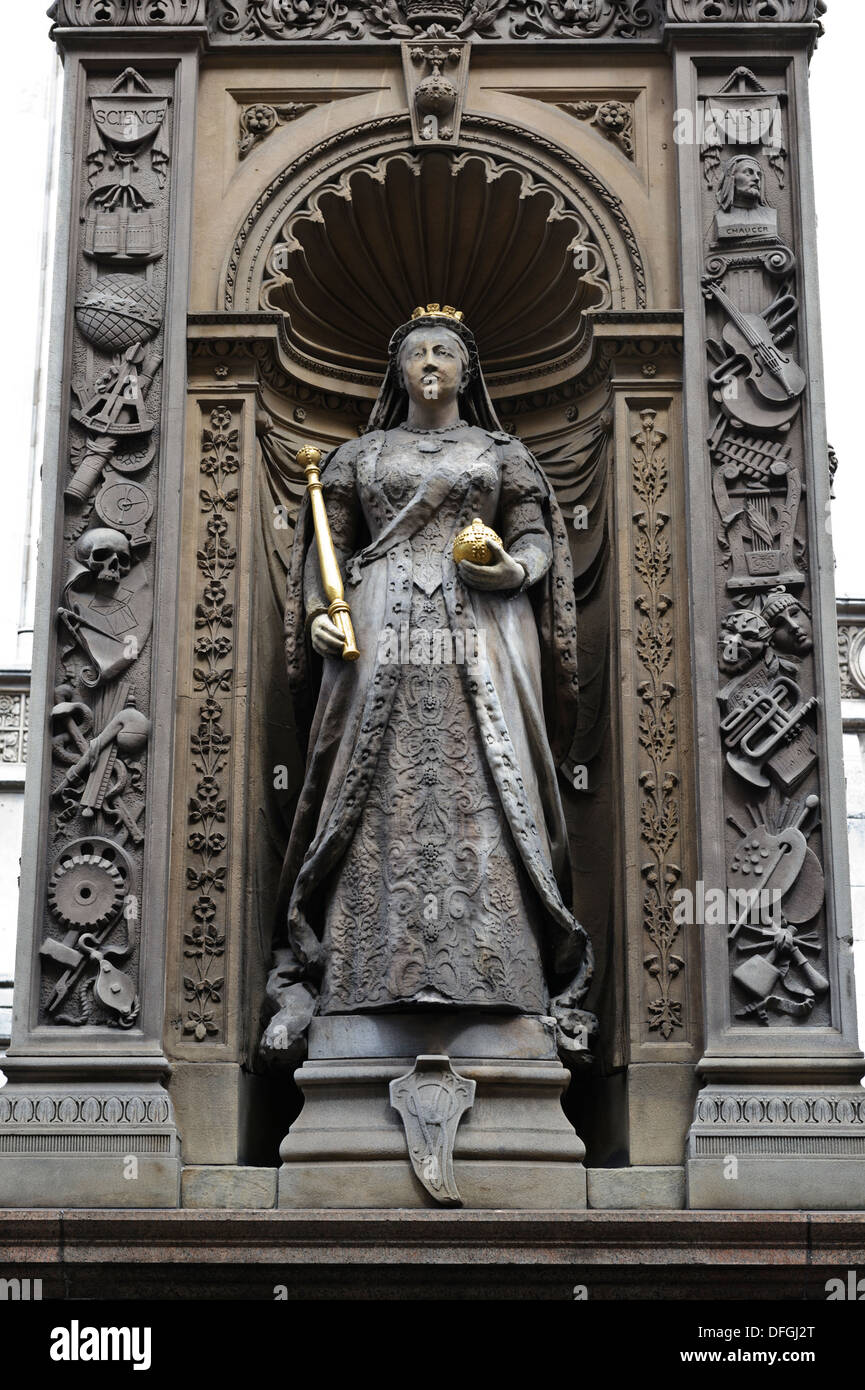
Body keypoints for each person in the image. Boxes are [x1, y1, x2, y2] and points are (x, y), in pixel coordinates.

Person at [260, 305, 593, 1061]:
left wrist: (516, 570)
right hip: (375, 628)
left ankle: (497, 967)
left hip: (480, 624)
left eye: (445, 352)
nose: (432, 363)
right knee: (367, 781)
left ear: (466, 370)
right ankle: (358, 968)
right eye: (418, 354)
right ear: (399, 370)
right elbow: (326, 550)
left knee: (490, 777)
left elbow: (536, 534)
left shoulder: (500, 453)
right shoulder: (357, 456)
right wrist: (321, 613)